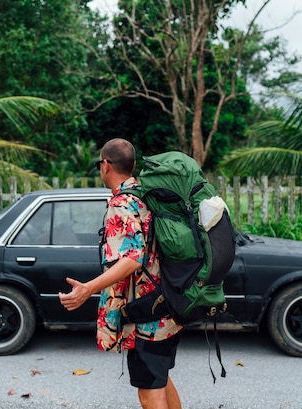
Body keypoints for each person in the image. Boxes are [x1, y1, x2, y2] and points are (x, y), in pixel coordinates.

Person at [58, 138, 182, 409]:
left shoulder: (122, 204)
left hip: (145, 315)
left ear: (105, 165)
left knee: (149, 393)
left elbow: (133, 258)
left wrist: (88, 288)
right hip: (166, 305)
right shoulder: (146, 196)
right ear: (134, 165)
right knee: (159, 380)